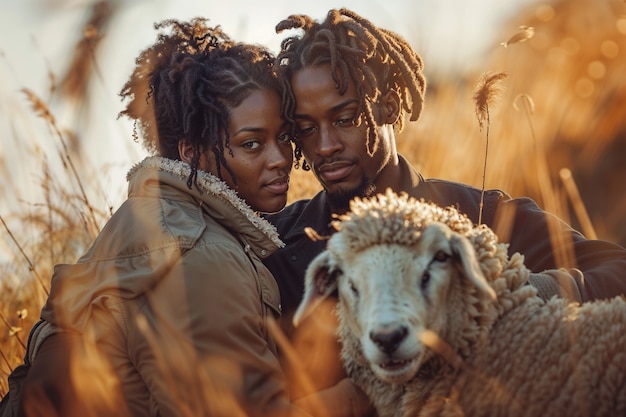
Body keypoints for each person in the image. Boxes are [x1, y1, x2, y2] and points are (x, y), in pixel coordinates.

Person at [0, 18, 372, 417]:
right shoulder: (204, 255)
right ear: (191, 153)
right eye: (252, 144)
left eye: (283, 136)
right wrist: (367, 391)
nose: (281, 159)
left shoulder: (151, 217)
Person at [262, 7, 626, 393]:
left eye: (346, 119)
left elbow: (617, 271)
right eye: (306, 128)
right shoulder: (281, 243)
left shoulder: (483, 217)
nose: (326, 146)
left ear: (387, 104)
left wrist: (511, 297)